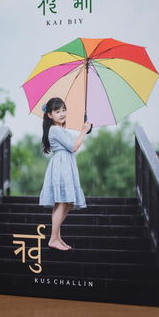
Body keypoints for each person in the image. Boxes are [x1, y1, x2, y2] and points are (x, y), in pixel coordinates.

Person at [39, 97, 91, 251]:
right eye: (57, 111)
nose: (62, 113)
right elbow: (73, 147)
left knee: (66, 202)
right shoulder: (54, 129)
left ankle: (57, 237)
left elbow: (73, 147)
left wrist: (83, 131)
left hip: (66, 165)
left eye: (63, 110)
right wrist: (83, 131)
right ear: (50, 115)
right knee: (62, 202)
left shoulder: (60, 129)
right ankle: (53, 239)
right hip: (61, 166)